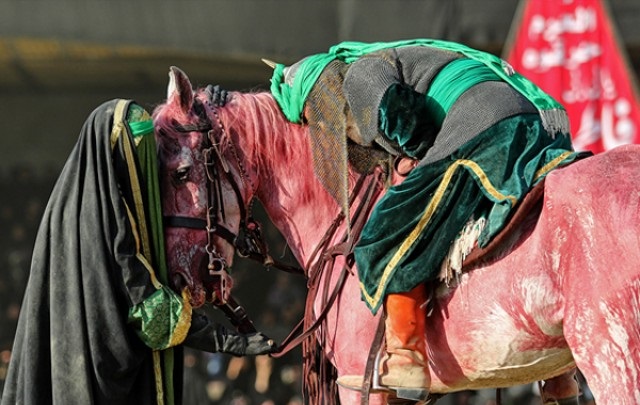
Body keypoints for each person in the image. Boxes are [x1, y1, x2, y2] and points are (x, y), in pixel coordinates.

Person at [268, 39, 587, 401]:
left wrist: (414, 154)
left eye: (313, 115)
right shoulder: (398, 59)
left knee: (384, 232)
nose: (321, 128)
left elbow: (405, 116)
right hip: (531, 119)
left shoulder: (360, 73)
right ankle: (559, 378)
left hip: (484, 121)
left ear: (322, 90)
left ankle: (406, 355)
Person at [0, 99, 275, 405]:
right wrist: (232, 342)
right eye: (138, 148)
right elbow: (152, 312)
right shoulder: (110, 219)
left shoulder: (66, 210)